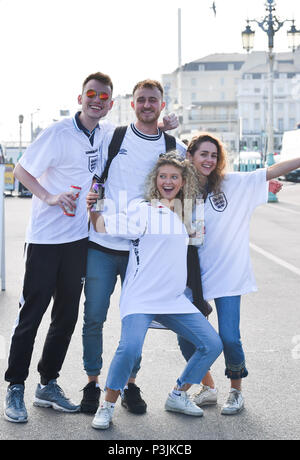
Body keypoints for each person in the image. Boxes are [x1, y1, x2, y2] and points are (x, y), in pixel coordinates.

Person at [3, 72, 116, 423]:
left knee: (65, 316)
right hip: (45, 240)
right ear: (80, 98)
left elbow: (142, 135)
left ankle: (47, 384)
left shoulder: (106, 134)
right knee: (32, 314)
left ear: (110, 104)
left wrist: (166, 122)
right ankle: (15, 387)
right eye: (91, 94)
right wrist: (50, 196)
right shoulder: (57, 132)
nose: (96, 100)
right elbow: (20, 170)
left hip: (78, 240)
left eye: (103, 96)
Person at [87, 152, 223, 430]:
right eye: (163, 176)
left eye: (174, 176)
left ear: (183, 181)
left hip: (173, 299)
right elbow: (100, 225)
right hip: (141, 297)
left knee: (212, 343)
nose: (168, 181)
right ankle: (107, 405)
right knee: (130, 349)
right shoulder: (143, 209)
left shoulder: (186, 212)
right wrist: (94, 204)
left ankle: (178, 394)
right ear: (155, 180)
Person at [80, 80, 185, 415]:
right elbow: (96, 175)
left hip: (142, 251)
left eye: (153, 100)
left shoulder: (172, 145)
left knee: (134, 324)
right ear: (132, 104)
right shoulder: (115, 136)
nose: (147, 105)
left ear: (162, 106)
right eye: (141, 99)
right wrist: (93, 202)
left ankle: (130, 384)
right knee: (94, 316)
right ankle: (93, 383)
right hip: (102, 242)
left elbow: (193, 180)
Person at [177, 133, 300, 415]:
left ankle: (236, 391)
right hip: (193, 278)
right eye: (203, 154)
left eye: (214, 155)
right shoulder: (180, 188)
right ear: (190, 156)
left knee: (230, 337)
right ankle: (207, 387)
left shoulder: (232, 184)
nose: (209, 160)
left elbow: (271, 171)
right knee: (187, 338)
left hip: (229, 276)